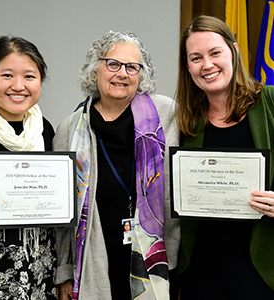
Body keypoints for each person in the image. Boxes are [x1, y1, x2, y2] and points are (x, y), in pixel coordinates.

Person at [53, 30, 180, 300]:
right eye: (113, 64)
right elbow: (62, 216)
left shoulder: (167, 115)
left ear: (141, 75)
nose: (122, 73)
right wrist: (64, 272)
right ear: (94, 70)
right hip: (94, 260)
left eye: (132, 67)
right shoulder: (69, 131)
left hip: (158, 260)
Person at [174, 15, 274, 299]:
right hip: (201, 273)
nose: (207, 65)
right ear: (187, 66)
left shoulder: (270, 103)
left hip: (261, 272)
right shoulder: (183, 121)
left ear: (234, 51)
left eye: (215, 53)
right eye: (196, 58)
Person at [0, 36, 57, 299]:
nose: (18, 86)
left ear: (40, 81)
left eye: (29, 77)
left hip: (36, 264)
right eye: (7, 75)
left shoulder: (46, 130)